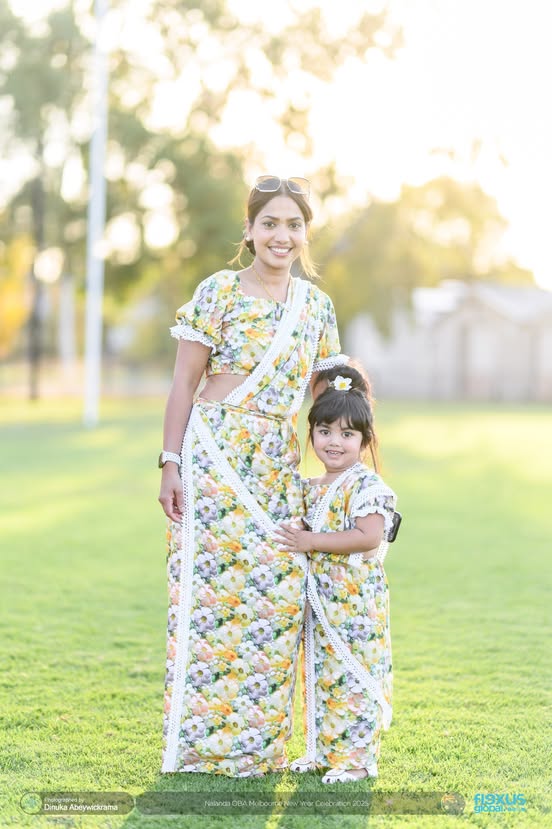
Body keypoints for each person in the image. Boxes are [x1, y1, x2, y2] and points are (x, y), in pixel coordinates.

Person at [158, 175, 348, 777]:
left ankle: (258, 750)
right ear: (249, 230)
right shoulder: (217, 292)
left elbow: (328, 404)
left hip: (274, 465)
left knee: (275, 599)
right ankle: (200, 747)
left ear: (304, 234)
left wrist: (338, 477)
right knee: (211, 600)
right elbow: (184, 384)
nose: (281, 236)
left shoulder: (316, 307)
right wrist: (171, 461)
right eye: (270, 223)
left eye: (294, 225)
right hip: (213, 457)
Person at [274, 365, 397, 784]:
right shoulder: (312, 486)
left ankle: (359, 760)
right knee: (321, 676)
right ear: (311, 434)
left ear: (364, 441)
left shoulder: (367, 486)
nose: (334, 442)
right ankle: (322, 752)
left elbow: (366, 536)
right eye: (325, 431)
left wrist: (311, 541)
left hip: (355, 602)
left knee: (353, 678)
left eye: (347, 434)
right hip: (321, 601)